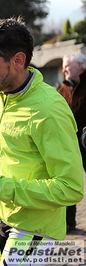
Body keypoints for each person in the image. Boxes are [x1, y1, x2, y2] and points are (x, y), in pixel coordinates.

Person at [0, 17, 84, 265]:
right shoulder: (2, 95)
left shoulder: (49, 110)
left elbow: (70, 188)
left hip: (36, 229)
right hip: (8, 219)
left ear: (18, 61)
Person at [57, 53, 86, 232]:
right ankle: (68, 222)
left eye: (68, 65)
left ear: (81, 66)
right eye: (63, 66)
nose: (64, 69)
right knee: (67, 182)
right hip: (68, 144)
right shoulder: (62, 90)